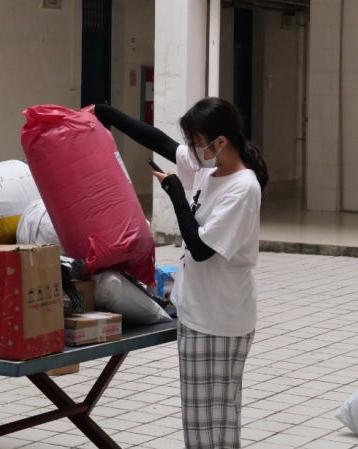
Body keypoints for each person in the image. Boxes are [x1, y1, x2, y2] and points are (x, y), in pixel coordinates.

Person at [85, 97, 269, 449]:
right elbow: (159, 141)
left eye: (197, 142)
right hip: (200, 311)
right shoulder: (208, 168)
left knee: (208, 427)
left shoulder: (242, 188)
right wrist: (109, 114)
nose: (192, 150)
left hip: (217, 320)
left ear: (221, 142)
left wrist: (174, 193)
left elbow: (200, 248)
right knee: (213, 423)